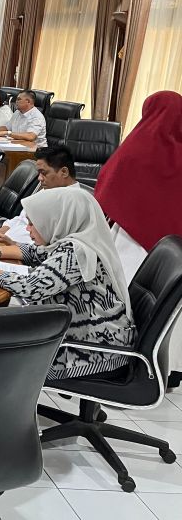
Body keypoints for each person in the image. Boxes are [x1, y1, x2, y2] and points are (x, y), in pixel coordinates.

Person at [0, 188, 135, 381]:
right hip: (90, 338)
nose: (28, 229)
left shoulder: (77, 252)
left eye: (33, 224)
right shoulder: (75, 241)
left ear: (56, 220)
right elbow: (36, 253)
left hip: (92, 353)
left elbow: (29, 288)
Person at [94, 90, 182, 387]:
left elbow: (107, 183)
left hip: (128, 239)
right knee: (165, 309)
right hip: (171, 249)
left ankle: (117, 360)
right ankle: (166, 369)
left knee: (128, 300)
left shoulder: (136, 146)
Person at [0, 147, 79, 245]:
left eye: (43, 173)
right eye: (38, 173)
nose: (39, 178)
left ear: (64, 172)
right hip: (6, 242)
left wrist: (14, 244)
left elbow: (50, 247)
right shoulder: (47, 190)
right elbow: (22, 218)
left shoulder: (73, 204)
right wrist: (2, 231)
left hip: (22, 253)